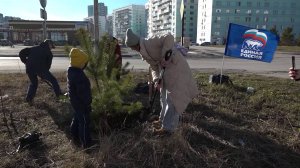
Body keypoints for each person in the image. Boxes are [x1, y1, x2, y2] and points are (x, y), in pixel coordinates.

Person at [125, 29, 199, 134]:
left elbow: (169, 37)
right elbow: (154, 66)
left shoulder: (150, 41)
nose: (133, 50)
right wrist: (156, 80)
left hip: (175, 68)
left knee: (172, 99)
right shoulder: (143, 52)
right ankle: (162, 120)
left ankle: (168, 128)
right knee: (163, 98)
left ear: (135, 44)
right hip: (164, 72)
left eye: (132, 47)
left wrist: (165, 56)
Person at [22, 39, 62, 105]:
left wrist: (26, 62)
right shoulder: (49, 53)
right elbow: (47, 66)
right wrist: (43, 76)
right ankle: (60, 96)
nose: (51, 48)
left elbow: (21, 53)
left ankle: (29, 99)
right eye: (51, 46)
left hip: (29, 69)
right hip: (41, 69)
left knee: (34, 83)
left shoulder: (34, 48)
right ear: (49, 44)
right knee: (53, 80)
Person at [67, 48, 92, 148]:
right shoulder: (79, 76)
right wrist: (88, 103)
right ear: (81, 63)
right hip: (81, 103)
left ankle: (74, 134)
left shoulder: (71, 71)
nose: (86, 64)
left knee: (77, 118)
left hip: (75, 101)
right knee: (84, 122)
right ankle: (86, 143)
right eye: (85, 63)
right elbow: (83, 92)